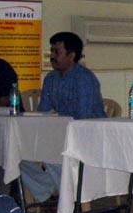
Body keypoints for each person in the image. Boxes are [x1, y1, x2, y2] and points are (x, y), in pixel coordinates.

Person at [21, 31, 105, 202]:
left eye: (56, 52)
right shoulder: (51, 78)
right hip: (62, 133)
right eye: (51, 51)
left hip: (89, 135)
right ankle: (51, 191)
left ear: (71, 55)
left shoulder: (84, 79)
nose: (52, 56)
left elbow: (84, 119)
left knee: (53, 152)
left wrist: (57, 133)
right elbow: (43, 111)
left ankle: (69, 195)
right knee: (19, 154)